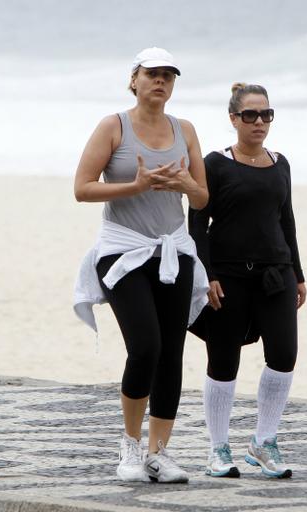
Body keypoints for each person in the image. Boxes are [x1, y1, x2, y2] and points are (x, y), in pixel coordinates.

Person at [73, 47, 209, 484]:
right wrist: (134, 185)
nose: (160, 82)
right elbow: (82, 188)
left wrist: (188, 183)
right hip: (123, 251)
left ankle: (160, 452)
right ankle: (130, 447)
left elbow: (203, 198)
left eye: (169, 75)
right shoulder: (113, 126)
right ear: (134, 79)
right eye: (152, 74)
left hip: (173, 251)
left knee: (172, 352)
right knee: (146, 347)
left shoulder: (185, 129)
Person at [189, 83, 307, 479]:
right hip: (228, 276)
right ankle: (218, 448)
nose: (260, 122)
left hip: (276, 274)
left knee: (284, 355)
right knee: (224, 360)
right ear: (233, 119)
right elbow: (197, 223)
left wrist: (299, 275)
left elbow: (286, 221)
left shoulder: (281, 163)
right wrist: (206, 276)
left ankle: (263, 441)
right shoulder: (215, 163)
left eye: (266, 115)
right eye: (251, 115)